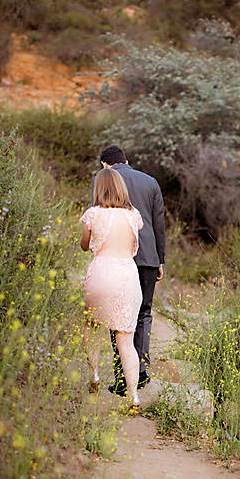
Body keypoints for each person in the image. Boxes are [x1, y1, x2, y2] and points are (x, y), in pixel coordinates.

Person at [93, 145, 165, 396]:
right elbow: (158, 224)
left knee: (117, 318)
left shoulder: (102, 181)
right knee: (143, 313)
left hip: (117, 257)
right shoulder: (151, 182)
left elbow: (98, 219)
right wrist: (160, 260)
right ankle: (141, 371)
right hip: (147, 258)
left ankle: (123, 377)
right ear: (127, 160)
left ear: (104, 164)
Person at [80, 168, 144, 408]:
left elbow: (85, 246)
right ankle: (134, 395)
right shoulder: (132, 215)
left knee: (92, 327)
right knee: (125, 339)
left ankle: (94, 374)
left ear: (99, 189)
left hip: (101, 273)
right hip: (127, 275)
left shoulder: (92, 214)